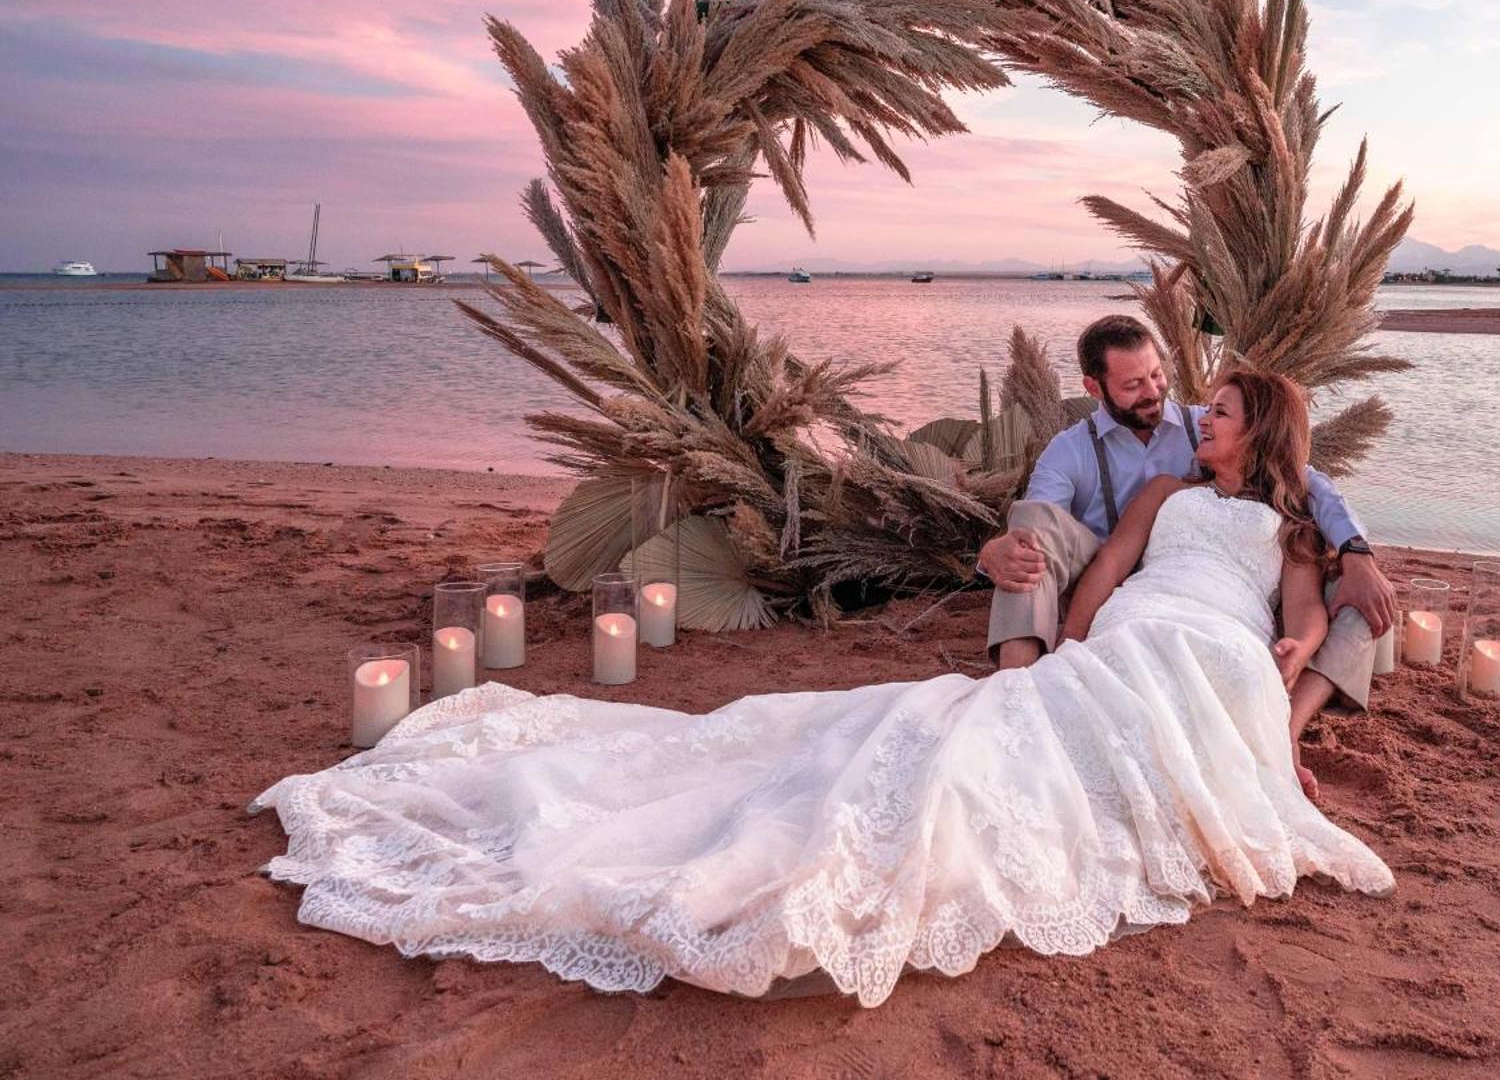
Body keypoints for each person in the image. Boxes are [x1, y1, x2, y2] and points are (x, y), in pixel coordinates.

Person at [252, 365, 1395, 1008]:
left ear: (1261, 433)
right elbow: (1097, 580)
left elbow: (1300, 611)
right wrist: (1066, 647)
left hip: (1222, 650)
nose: (1198, 414)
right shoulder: (1160, 497)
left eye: (1221, 411)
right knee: (1007, 732)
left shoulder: (1292, 522)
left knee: (1180, 707)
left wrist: (1293, 650)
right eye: (1194, 404)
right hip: (1142, 630)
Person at [980, 315, 1396, 728]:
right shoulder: (1071, 451)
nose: (1152, 391)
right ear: (1094, 388)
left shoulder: (1207, 426)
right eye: (1132, 385)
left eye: (1157, 375)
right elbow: (1058, 535)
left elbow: (1309, 483)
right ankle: (1017, 685)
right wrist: (998, 553)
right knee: (1029, 538)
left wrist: (1356, 552)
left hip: (1226, 598)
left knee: (1363, 594)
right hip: (1115, 572)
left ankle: (1290, 722)